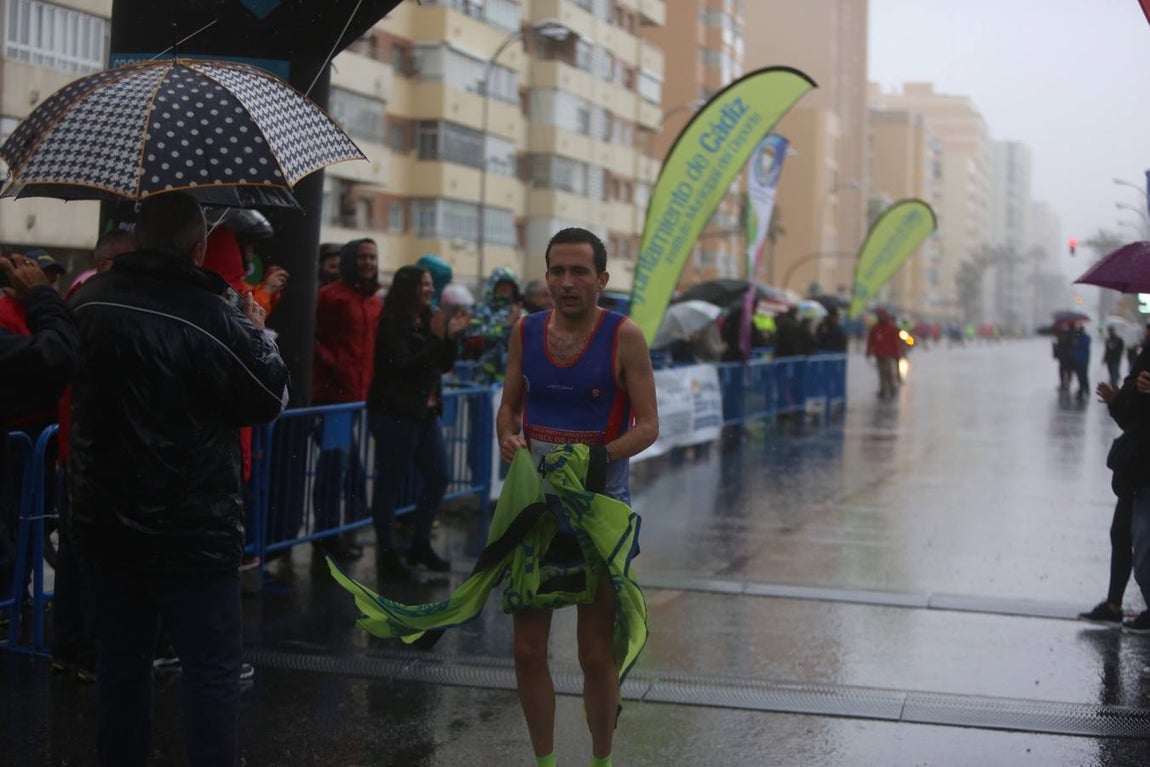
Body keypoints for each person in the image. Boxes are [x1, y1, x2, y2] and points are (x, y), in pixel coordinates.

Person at [68, 192, 288, 767]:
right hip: (194, 529)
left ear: (137, 242)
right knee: (211, 669)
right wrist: (258, 331)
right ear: (198, 249)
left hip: (107, 521)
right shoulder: (212, 315)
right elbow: (266, 397)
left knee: (121, 664)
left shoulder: (88, 303)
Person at [497, 227, 659, 767]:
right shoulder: (526, 330)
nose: (567, 283)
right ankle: (545, 762)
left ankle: (600, 761)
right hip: (536, 513)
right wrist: (507, 436)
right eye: (557, 272)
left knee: (594, 655)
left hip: (598, 518)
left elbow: (650, 426)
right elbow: (509, 408)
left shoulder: (624, 336)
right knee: (526, 652)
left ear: (602, 279)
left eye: (579, 272)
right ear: (546, 277)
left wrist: (598, 457)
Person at [366, 265, 470, 579]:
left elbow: (443, 364)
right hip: (394, 412)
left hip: (425, 412)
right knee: (390, 483)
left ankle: (420, 543)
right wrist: (437, 339)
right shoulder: (391, 322)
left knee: (439, 475)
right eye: (423, 284)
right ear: (408, 287)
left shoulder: (427, 319)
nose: (428, 290)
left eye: (429, 284)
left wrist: (450, 338)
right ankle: (386, 554)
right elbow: (401, 365)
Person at [0, 253, 77, 615]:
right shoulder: (10, 315)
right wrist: (44, 301)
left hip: (36, 444)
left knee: (30, 525)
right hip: (20, 443)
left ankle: (16, 598)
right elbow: (55, 356)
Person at [311, 238, 382, 559]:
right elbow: (309, 335)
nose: (368, 262)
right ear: (351, 259)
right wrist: (333, 364)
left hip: (357, 397)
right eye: (363, 257)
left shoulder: (374, 301)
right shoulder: (330, 296)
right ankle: (327, 534)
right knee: (336, 466)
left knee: (345, 466)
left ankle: (339, 532)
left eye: (373, 257)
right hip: (331, 398)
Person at [866, 308, 902, 399]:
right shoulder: (875, 328)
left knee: (888, 372)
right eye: (879, 316)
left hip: (888, 354)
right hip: (879, 354)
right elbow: (871, 340)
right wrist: (868, 351)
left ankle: (891, 388)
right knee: (881, 372)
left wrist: (897, 353)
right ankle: (883, 389)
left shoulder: (892, 327)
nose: (880, 317)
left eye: (882, 316)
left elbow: (895, 341)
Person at [1071, 324, 1091, 400]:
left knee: (1083, 376)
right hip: (1080, 360)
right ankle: (1084, 390)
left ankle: (1084, 390)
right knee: (1081, 376)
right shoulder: (1080, 338)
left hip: (1082, 360)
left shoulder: (1083, 338)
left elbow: (1081, 346)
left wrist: (1076, 342)